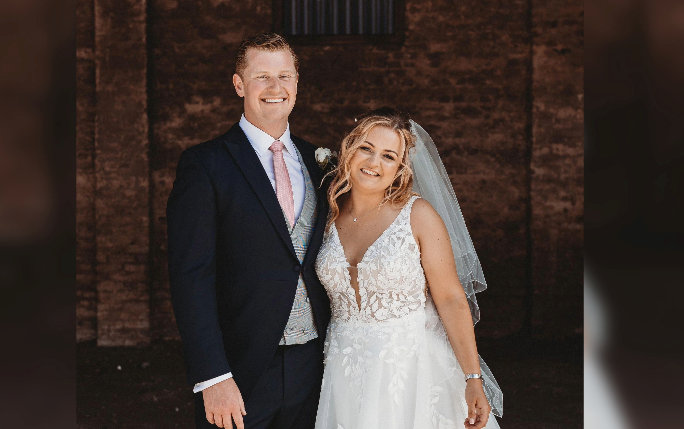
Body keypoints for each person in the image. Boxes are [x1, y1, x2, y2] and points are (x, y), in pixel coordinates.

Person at [166, 33, 330, 429]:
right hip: (241, 368)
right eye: (262, 77)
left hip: (317, 364)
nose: (275, 88)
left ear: (296, 84)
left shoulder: (320, 162)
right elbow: (191, 277)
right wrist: (213, 376)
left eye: (285, 76)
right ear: (239, 84)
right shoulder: (205, 165)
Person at [314, 108, 503, 428]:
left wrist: (473, 377)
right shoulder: (328, 213)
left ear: (400, 167)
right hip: (344, 369)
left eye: (388, 156)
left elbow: (451, 299)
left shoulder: (418, 215)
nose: (374, 163)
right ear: (349, 148)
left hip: (412, 371)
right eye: (366, 149)